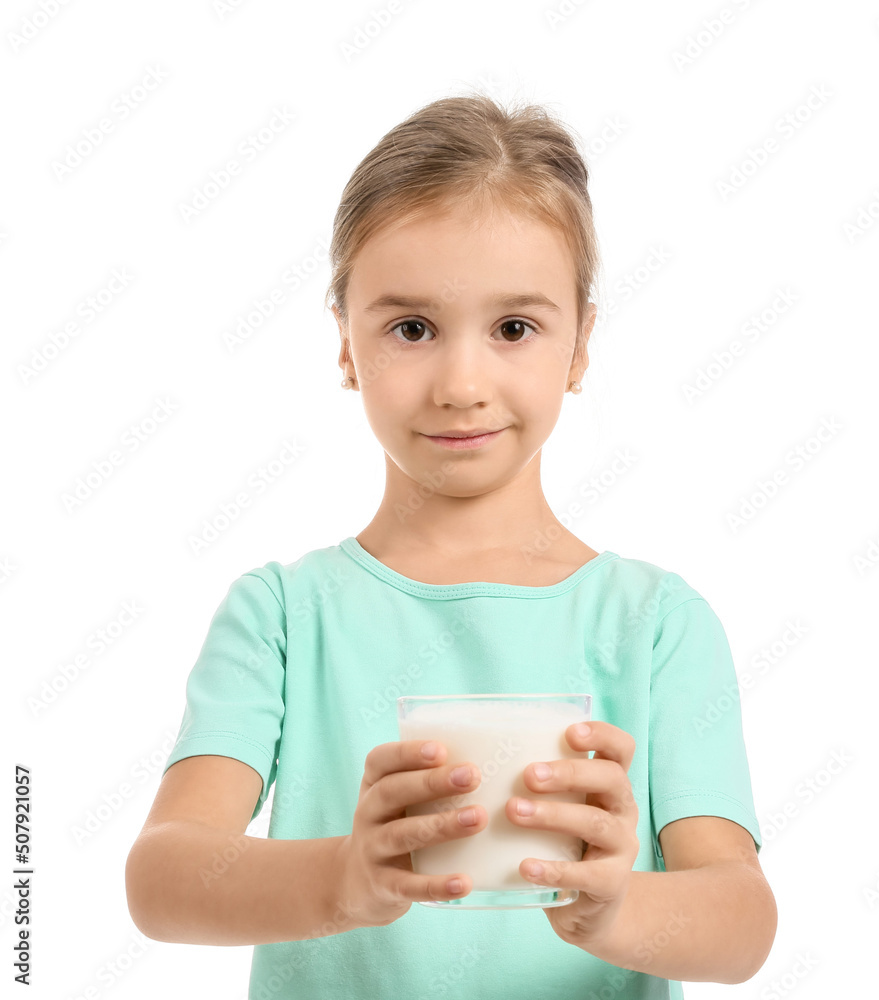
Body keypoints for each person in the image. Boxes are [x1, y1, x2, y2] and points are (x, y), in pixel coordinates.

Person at [125, 91, 777, 999]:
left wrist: (615, 909)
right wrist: (344, 879)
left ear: (580, 344)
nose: (463, 383)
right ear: (347, 346)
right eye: (412, 329)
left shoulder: (656, 624)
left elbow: (743, 925)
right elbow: (162, 882)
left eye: (515, 328)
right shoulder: (281, 616)